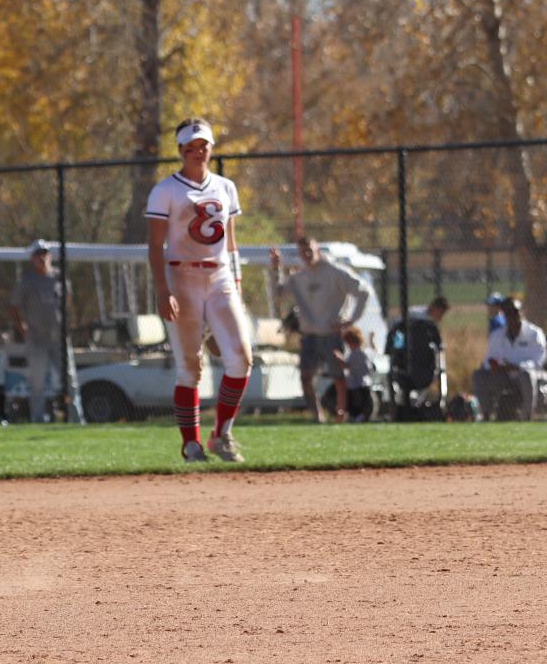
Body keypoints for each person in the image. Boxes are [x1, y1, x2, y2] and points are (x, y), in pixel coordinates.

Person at [146, 116, 252, 463]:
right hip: (183, 277)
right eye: (190, 147)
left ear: (211, 147)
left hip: (219, 276)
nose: (197, 152)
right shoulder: (166, 190)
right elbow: (155, 244)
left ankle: (221, 434)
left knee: (241, 359)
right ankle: (190, 443)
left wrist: (236, 284)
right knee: (190, 365)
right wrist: (163, 290)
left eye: (203, 145)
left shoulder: (225, 186)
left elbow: (232, 242)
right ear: (179, 150)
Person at [270, 237, 376, 423]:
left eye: (310, 250)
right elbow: (278, 292)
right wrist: (276, 268)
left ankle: (341, 413)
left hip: (331, 334)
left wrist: (349, 320)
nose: (307, 254)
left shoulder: (335, 272)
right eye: (303, 251)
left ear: (317, 249)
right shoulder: (299, 278)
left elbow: (363, 292)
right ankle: (317, 414)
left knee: (339, 376)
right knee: (305, 376)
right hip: (310, 335)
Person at [9, 241, 67, 423]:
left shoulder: (58, 277)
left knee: (69, 379)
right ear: (33, 259)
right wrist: (22, 327)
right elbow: (13, 307)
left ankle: (74, 415)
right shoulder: (27, 281)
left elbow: (68, 300)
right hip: (36, 339)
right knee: (37, 382)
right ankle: (38, 418)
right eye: (38, 255)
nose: (42, 258)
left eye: (45, 254)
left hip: (58, 338)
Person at [472, 296, 547, 420]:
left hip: (530, 375)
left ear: (521, 312)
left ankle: (527, 415)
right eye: (508, 313)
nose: (512, 316)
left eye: (515, 312)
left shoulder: (534, 333)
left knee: (526, 375)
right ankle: (486, 415)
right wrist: (494, 365)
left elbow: (539, 360)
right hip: (505, 375)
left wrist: (519, 366)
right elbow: (488, 359)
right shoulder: (497, 335)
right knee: (478, 375)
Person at [341, 325, 376, 422]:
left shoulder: (356, 353)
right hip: (363, 383)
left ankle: (358, 418)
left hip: (357, 384)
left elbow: (347, 365)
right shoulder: (363, 352)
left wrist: (338, 358)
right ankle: (360, 417)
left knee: (357, 406)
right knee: (362, 406)